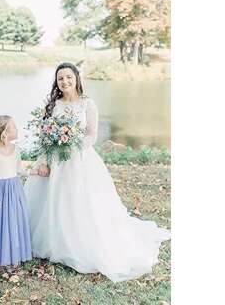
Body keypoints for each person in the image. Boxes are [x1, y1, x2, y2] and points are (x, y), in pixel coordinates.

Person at [24, 62, 170, 282]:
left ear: (76, 79)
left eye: (68, 77)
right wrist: (45, 160)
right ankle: (52, 238)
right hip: (56, 159)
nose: (64, 82)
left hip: (79, 160)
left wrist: (72, 145)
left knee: (81, 201)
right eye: (60, 78)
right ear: (56, 82)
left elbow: (91, 135)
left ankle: (78, 242)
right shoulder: (54, 105)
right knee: (51, 199)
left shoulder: (87, 104)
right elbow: (45, 136)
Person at [0, 115, 48, 266]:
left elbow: (19, 169)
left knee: (14, 219)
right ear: (5, 132)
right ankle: (0, 253)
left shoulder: (15, 149)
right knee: (2, 221)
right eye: (13, 126)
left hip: (14, 189)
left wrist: (36, 171)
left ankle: (14, 251)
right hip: (0, 191)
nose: (17, 128)